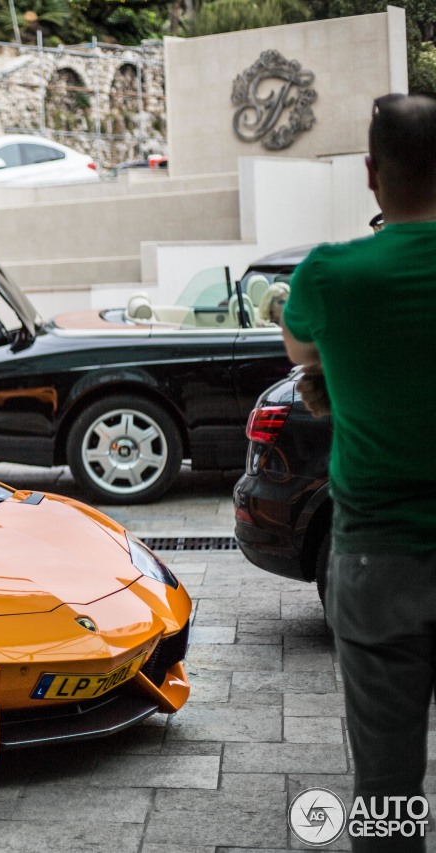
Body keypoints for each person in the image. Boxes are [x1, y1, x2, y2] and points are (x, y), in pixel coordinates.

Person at [282, 92, 436, 853]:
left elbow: (305, 358)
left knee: (386, 784)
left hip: (377, 562)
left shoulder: (330, 275)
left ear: (372, 175)